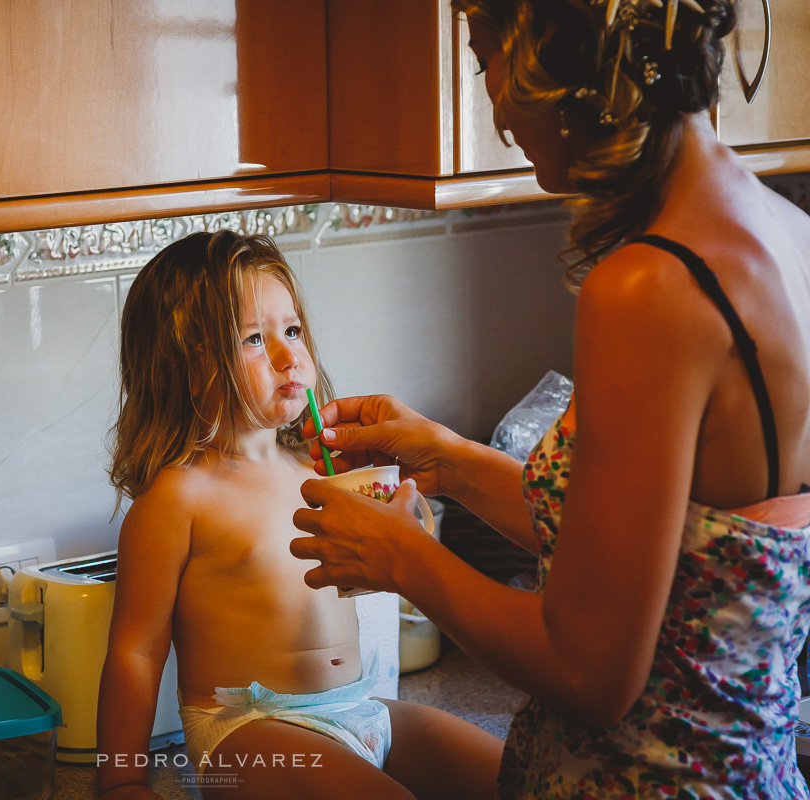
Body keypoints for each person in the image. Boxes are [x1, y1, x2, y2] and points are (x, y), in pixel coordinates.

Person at [289, 0, 810, 797]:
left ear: (557, 54)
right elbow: (659, 554)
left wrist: (402, 557)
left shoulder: (650, 285)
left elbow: (589, 671)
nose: (495, 109)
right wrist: (451, 461)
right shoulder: (782, 232)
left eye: (485, 57)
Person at [96, 230, 501, 800]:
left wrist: (407, 513)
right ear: (187, 367)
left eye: (291, 330)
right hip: (250, 735)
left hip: (360, 710)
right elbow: (135, 653)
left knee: (519, 778)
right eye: (254, 340)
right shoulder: (178, 499)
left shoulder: (323, 468)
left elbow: (391, 562)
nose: (291, 355)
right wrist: (121, 782)